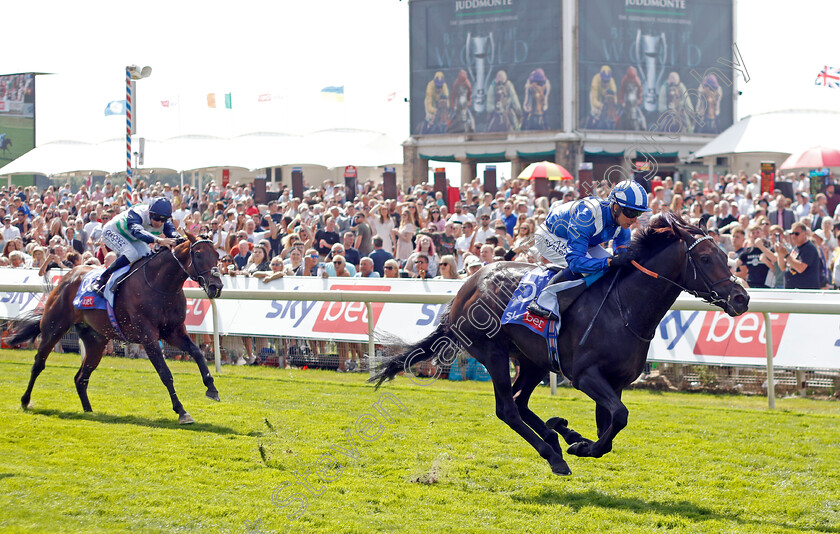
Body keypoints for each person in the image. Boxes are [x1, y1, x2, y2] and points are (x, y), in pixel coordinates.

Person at [527, 180, 649, 320]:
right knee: (593, 268)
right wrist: (609, 261)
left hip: (583, 240)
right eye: (631, 212)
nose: (634, 219)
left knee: (612, 269)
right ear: (616, 207)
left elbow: (622, 254)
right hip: (550, 236)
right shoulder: (588, 216)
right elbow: (575, 262)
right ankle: (543, 301)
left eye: (639, 213)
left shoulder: (623, 225)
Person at [91, 197, 180, 295]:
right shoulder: (137, 213)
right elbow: (137, 232)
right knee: (131, 253)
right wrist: (159, 240)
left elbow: (172, 232)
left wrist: (180, 238)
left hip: (132, 238)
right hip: (113, 231)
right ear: (150, 213)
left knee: (149, 255)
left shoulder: (164, 219)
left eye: (163, 220)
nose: (159, 223)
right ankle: (102, 279)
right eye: (156, 218)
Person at [776, 223, 821, 289]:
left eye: (796, 234)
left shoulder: (809, 248)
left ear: (805, 233)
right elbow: (783, 267)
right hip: (793, 290)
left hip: (805, 292)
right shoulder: (796, 248)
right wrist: (779, 253)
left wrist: (786, 255)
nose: (793, 236)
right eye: (792, 233)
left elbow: (800, 268)